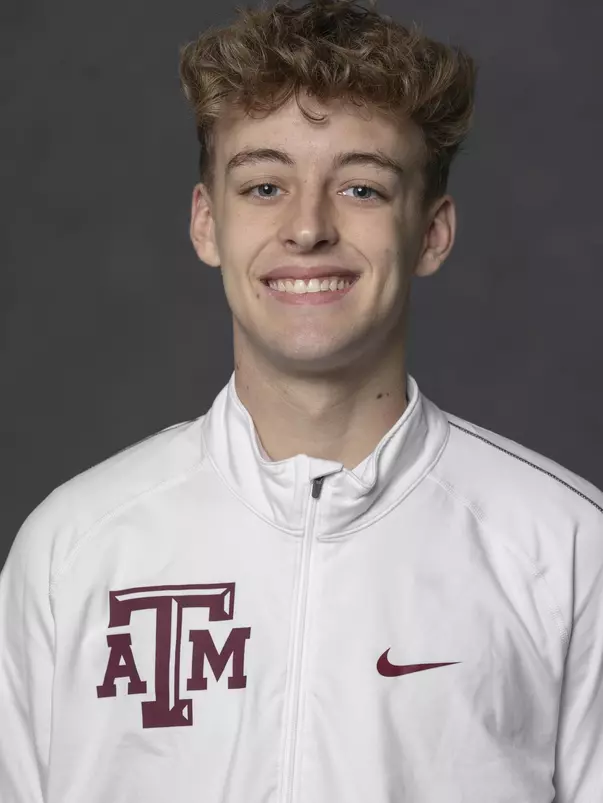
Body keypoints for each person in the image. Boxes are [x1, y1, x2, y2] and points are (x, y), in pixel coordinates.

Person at [1, 0, 601, 800]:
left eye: (360, 187)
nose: (307, 227)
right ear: (206, 221)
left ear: (431, 231)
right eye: (263, 185)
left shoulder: (565, 549)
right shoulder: (72, 551)